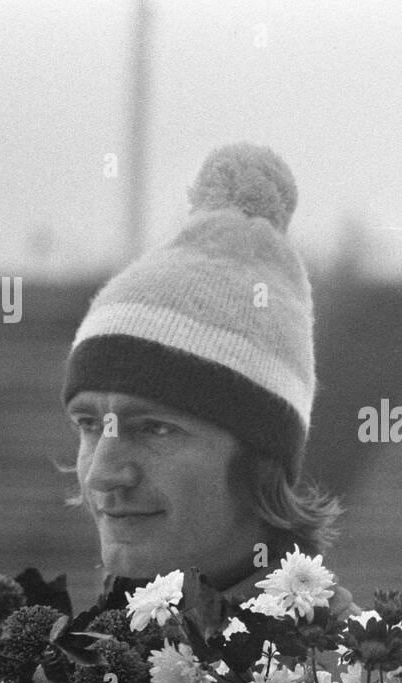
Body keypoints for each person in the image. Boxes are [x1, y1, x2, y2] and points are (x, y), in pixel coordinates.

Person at [61, 142, 342, 606]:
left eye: (154, 427)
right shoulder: (44, 670)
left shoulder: (367, 676)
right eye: (88, 425)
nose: (103, 474)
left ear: (261, 459)